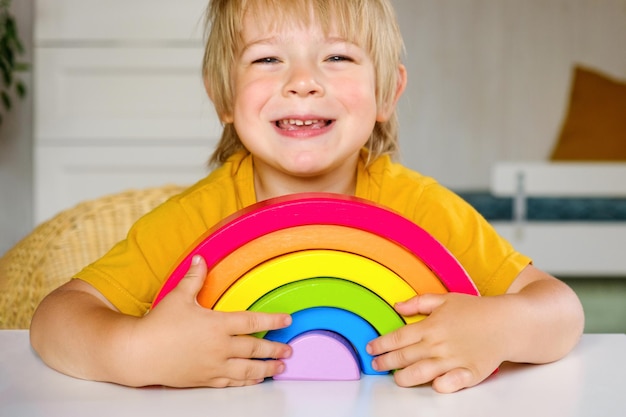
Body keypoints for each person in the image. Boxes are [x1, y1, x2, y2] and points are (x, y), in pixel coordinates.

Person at [30, 0, 584, 393]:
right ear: (222, 94)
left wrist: (498, 327)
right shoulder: (193, 221)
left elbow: (560, 310)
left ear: (387, 91)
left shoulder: (423, 210)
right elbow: (54, 321)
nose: (303, 81)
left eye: (337, 57)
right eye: (268, 58)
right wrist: (135, 352)